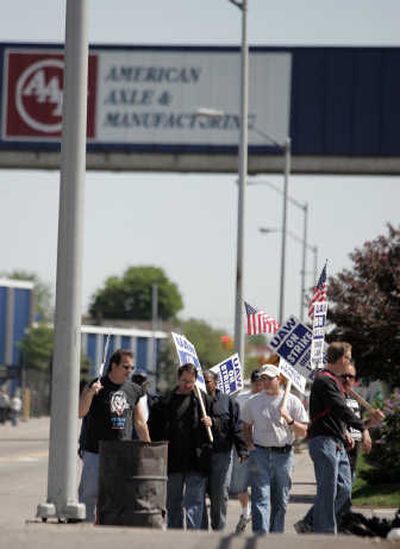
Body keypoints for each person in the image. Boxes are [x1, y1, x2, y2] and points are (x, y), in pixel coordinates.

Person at [306, 341, 383, 534]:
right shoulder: (324, 380)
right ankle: (325, 534)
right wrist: (361, 426)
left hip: (337, 442)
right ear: (342, 359)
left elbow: (335, 415)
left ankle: (313, 523)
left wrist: (352, 429)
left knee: (344, 489)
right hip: (324, 442)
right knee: (328, 492)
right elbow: (339, 408)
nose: (349, 362)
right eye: (348, 357)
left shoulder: (333, 381)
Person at [78, 348, 150, 523]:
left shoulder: (134, 390)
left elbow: (140, 422)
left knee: (116, 496)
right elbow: (81, 412)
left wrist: (148, 447)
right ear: (113, 365)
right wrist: (90, 393)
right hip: (95, 450)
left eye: (131, 368)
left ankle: (109, 529)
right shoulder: (95, 385)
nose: (129, 371)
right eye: (126, 367)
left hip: (120, 451)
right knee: (89, 494)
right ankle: (85, 529)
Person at [242, 363, 308, 535]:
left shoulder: (292, 401)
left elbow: (303, 432)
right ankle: (261, 538)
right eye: (262, 378)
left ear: (279, 379)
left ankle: (275, 536)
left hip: (283, 455)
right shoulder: (253, 401)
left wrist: (288, 418)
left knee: (280, 500)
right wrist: (249, 444)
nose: (264, 382)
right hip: (260, 453)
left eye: (268, 378)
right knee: (260, 497)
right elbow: (246, 425)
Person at [148, 363, 213, 530]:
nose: (187, 385)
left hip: (196, 461)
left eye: (191, 381)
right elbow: (153, 429)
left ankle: (192, 535)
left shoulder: (203, 401)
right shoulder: (164, 402)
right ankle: (176, 536)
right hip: (173, 461)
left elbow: (219, 424)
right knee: (173, 503)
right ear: (178, 379)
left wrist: (212, 422)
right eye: (184, 380)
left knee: (194, 503)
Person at [202, 370, 248, 531]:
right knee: (198, 494)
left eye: (208, 381)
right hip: (200, 455)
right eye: (202, 381)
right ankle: (200, 530)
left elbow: (236, 427)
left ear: (215, 383)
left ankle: (218, 529)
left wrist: (242, 449)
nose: (205, 384)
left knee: (220, 495)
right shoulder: (196, 399)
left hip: (222, 454)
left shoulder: (228, 402)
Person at [231, 368, 264, 534]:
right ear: (252, 382)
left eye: (261, 382)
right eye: (256, 382)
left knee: (260, 485)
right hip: (242, 448)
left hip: (261, 447)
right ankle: (246, 512)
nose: (259, 385)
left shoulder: (267, 398)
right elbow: (235, 422)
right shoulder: (241, 398)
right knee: (240, 484)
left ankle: (259, 518)